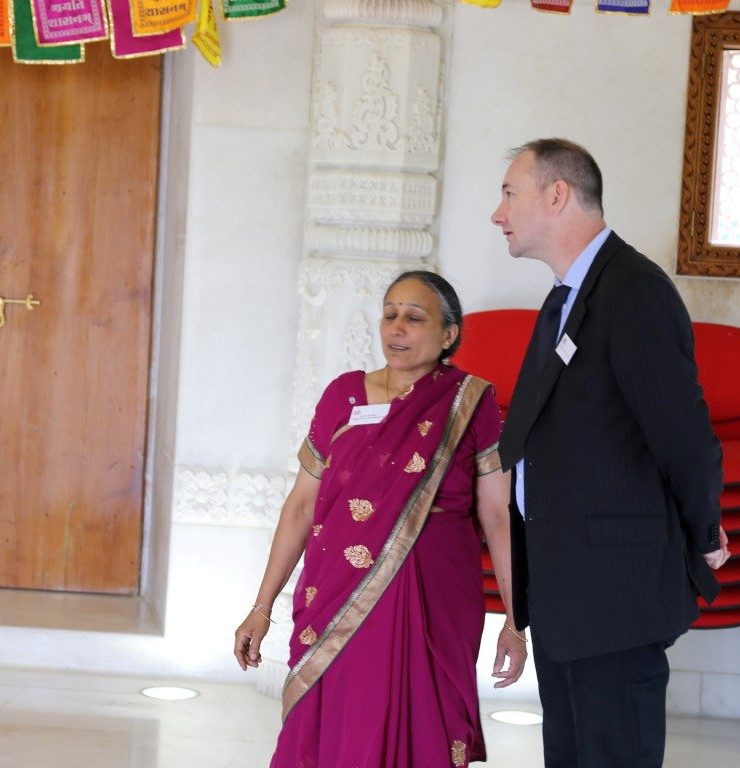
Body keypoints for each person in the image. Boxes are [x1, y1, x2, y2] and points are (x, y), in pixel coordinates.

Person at [491, 138, 731, 768]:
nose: (498, 213)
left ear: (557, 195)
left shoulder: (632, 290)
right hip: (565, 592)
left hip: (613, 597)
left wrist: (704, 530)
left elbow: (683, 433)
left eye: (510, 193)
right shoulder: (568, 295)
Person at [233, 271, 527, 767]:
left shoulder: (470, 403)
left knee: (423, 725)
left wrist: (516, 623)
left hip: (435, 596)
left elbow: (498, 517)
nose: (396, 328)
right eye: (389, 315)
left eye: (414, 318)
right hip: (336, 590)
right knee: (337, 723)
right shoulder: (343, 396)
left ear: (448, 335)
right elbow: (301, 506)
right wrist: (261, 607)